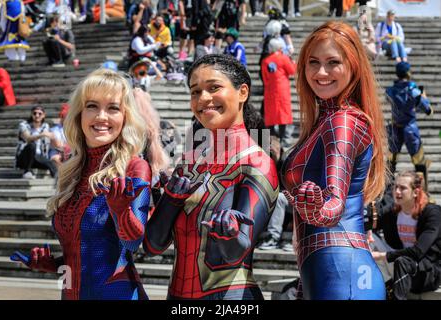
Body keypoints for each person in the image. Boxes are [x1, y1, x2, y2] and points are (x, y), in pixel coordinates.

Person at [144, 54, 279, 300]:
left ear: (243, 93)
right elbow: (153, 245)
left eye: (214, 88)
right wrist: (171, 200)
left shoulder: (257, 162)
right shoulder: (189, 162)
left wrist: (228, 232)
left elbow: (235, 252)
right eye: (195, 92)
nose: (203, 99)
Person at [10, 69, 152, 300]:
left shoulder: (134, 167)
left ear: (125, 117)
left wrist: (121, 211)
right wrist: (52, 264)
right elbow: (83, 255)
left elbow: (132, 243)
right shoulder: (72, 170)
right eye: (92, 106)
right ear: (79, 114)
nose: (101, 117)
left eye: (113, 108)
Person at [282, 21, 388, 300]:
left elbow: (334, 204)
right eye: (313, 62)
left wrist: (315, 208)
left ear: (353, 65)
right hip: (328, 270)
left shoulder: (343, 121)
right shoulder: (326, 120)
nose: (321, 72)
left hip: (342, 272)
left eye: (333, 62)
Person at [371, 171, 441, 300]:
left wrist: (382, 255)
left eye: (402, 188)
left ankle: (395, 294)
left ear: (416, 192)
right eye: (395, 187)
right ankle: (387, 286)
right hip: (399, 264)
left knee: (401, 261)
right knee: (369, 238)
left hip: (426, 272)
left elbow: (418, 252)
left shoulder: (432, 213)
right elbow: (371, 223)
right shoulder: (393, 212)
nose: (397, 191)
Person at [386, 61, 432, 190]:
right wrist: (423, 96)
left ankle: (387, 192)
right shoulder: (414, 91)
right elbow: (427, 109)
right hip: (410, 129)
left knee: (391, 163)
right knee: (419, 163)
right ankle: (423, 193)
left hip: (395, 128)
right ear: (408, 72)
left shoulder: (390, 90)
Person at [261, 38, 296, 152]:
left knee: (271, 114)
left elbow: (265, 78)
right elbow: (292, 71)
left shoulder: (266, 61)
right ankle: (282, 139)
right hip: (282, 90)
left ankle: (273, 139)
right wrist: (293, 62)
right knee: (283, 114)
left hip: (270, 90)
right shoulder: (283, 58)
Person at [15, 106, 57, 179]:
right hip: (23, 158)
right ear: (31, 114)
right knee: (32, 145)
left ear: (43, 115)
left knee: (51, 163)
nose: (37, 115)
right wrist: (42, 134)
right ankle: (27, 171)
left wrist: (53, 138)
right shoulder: (24, 125)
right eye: (35, 113)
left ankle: (59, 183)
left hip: (37, 158)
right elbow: (28, 138)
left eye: (40, 114)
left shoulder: (45, 126)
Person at [49, 103, 70, 169]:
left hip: (70, 150)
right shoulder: (53, 129)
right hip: (57, 151)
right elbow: (56, 145)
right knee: (55, 158)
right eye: (63, 116)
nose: (65, 118)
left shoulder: (74, 128)